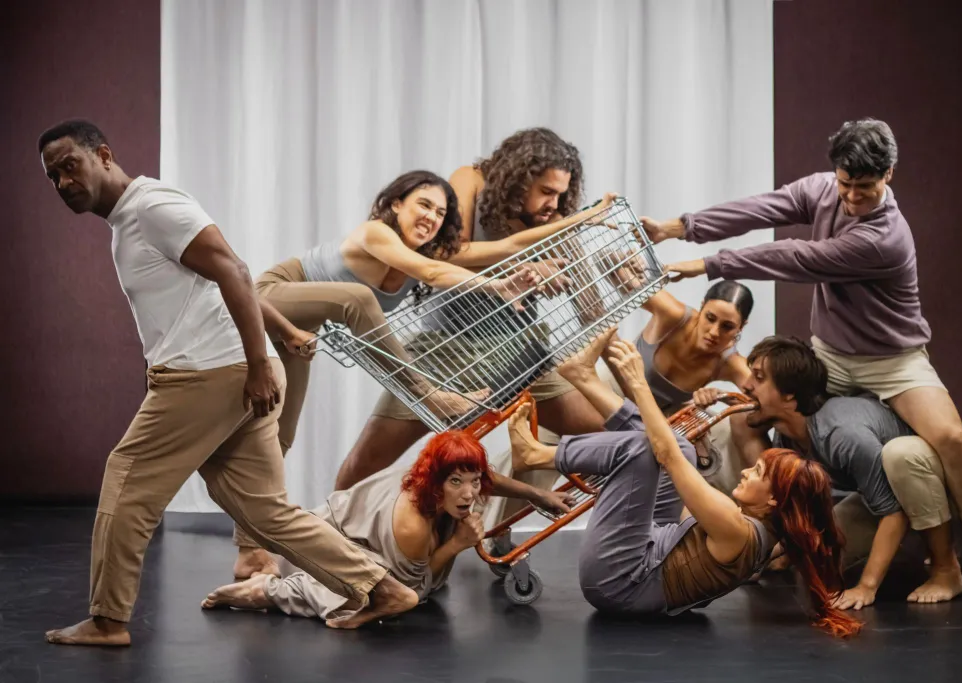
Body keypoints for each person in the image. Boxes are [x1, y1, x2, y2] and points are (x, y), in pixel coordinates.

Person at [37, 119, 420, 646]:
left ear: (103, 154)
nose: (63, 183)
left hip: (205, 375)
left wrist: (259, 364)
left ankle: (108, 620)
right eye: (52, 177)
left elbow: (234, 270)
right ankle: (378, 586)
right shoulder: (129, 220)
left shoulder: (152, 207)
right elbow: (217, 282)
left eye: (69, 166)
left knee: (126, 482)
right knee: (264, 510)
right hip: (228, 371)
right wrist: (276, 339)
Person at [644, 118, 962, 606]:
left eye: (865, 188)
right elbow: (762, 208)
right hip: (831, 352)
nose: (852, 198)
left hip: (891, 358)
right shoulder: (824, 190)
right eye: (846, 185)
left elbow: (798, 257)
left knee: (950, 438)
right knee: (755, 416)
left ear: (889, 174)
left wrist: (707, 264)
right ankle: (765, 532)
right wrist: (680, 227)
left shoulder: (885, 237)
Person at [231, 170, 615, 576]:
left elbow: (510, 244)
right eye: (423, 205)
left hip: (300, 332)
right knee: (359, 298)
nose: (431, 217)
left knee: (276, 438)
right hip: (269, 300)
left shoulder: (423, 254)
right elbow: (431, 275)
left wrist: (582, 219)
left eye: (441, 212)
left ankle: (250, 551)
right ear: (396, 203)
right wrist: (498, 286)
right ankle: (429, 394)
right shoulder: (376, 235)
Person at [506, 327, 861, 637]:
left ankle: (536, 455)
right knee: (681, 447)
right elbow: (675, 456)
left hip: (617, 582)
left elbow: (664, 457)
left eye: (757, 474)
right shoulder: (772, 530)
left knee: (649, 452)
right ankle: (582, 377)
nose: (745, 471)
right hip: (651, 554)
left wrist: (636, 381)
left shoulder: (736, 527)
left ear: (773, 502)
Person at [334, 128, 610, 520]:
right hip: (446, 347)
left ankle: (509, 531)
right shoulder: (471, 180)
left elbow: (591, 304)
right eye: (547, 191)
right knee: (364, 465)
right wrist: (524, 267)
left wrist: (616, 277)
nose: (555, 203)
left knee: (606, 434)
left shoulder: (554, 219)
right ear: (518, 179)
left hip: (520, 352)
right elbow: (445, 251)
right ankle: (325, 538)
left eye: (563, 194)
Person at [200, 431, 574, 625]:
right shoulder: (413, 527)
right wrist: (458, 544)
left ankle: (267, 561)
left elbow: (486, 478)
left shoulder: (436, 478)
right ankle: (264, 591)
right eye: (457, 483)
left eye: (472, 482)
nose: (469, 494)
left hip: (340, 524)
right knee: (362, 593)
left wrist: (538, 495)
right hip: (339, 541)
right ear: (437, 482)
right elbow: (413, 587)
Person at [735, 336, 962, 609]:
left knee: (900, 455)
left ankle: (946, 570)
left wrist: (866, 587)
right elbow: (797, 507)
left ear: (789, 395)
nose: (745, 385)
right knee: (819, 552)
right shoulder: (787, 437)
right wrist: (766, 555)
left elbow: (893, 512)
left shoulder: (841, 434)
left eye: (758, 377)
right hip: (900, 492)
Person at [598, 280, 756, 498]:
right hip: (612, 388)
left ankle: (743, 512)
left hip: (649, 416)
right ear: (702, 308)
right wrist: (627, 263)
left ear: (742, 327)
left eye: (727, 326)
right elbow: (618, 274)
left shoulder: (729, 362)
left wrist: (720, 397)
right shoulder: (673, 314)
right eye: (710, 318)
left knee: (725, 427)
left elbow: (765, 396)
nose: (714, 332)